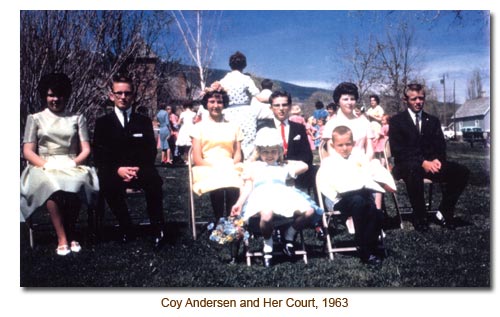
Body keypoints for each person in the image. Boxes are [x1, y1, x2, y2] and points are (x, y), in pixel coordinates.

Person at [21, 73, 99, 256]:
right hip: (44, 165)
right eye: (50, 95)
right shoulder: (35, 119)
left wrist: (73, 163)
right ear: (44, 96)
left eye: (59, 95)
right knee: (52, 185)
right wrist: (46, 165)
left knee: (78, 182)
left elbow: (86, 149)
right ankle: (62, 237)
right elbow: (28, 151)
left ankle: (72, 232)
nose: (55, 99)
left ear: (66, 95)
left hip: (72, 162)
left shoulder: (77, 118)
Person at [93, 73, 166, 249]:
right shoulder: (102, 123)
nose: (123, 97)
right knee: (106, 184)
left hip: (141, 169)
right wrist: (118, 170)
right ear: (112, 95)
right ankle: (126, 226)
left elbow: (150, 150)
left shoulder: (143, 121)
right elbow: (99, 154)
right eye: (119, 93)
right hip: (114, 171)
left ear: (133, 95)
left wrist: (137, 169)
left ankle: (157, 229)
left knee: (154, 182)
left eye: (127, 93)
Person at [231, 127, 322, 267]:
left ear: (279, 151)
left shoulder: (282, 167)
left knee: (309, 210)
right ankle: (268, 243)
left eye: (274, 151)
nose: (269, 155)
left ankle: (289, 234)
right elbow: (248, 187)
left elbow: (304, 166)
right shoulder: (254, 166)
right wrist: (239, 203)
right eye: (265, 152)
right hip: (261, 195)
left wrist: (284, 160)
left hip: (282, 195)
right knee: (266, 214)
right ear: (259, 152)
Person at [389, 83, 469, 231]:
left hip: (431, 164)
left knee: (462, 171)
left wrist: (437, 159)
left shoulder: (432, 121)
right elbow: (398, 151)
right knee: (414, 170)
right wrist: (423, 162)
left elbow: (440, 146)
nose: (418, 102)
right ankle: (420, 216)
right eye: (413, 99)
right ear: (405, 100)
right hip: (405, 165)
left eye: (421, 98)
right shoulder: (396, 121)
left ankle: (444, 211)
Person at [317, 125, 396, 265]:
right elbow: (324, 184)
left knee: (375, 212)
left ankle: (370, 243)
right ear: (333, 145)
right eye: (340, 145)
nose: (344, 148)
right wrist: (337, 195)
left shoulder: (358, 159)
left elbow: (367, 176)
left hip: (361, 195)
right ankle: (364, 248)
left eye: (348, 144)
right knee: (359, 202)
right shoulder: (329, 162)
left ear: (353, 144)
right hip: (341, 199)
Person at [190, 82, 244, 224]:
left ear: (224, 104)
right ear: (206, 104)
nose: (216, 105)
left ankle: (232, 219)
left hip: (230, 163)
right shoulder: (198, 127)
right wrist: (215, 166)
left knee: (235, 180)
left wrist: (232, 164)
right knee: (218, 181)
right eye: (212, 101)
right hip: (207, 166)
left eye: (219, 102)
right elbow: (197, 158)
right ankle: (219, 219)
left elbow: (238, 154)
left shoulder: (233, 126)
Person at [219, 51, 267, 159]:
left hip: (227, 113)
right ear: (244, 65)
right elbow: (258, 96)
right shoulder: (246, 79)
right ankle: (247, 165)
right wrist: (273, 98)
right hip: (245, 114)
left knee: (229, 139)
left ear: (230, 65)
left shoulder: (223, 80)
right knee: (247, 141)